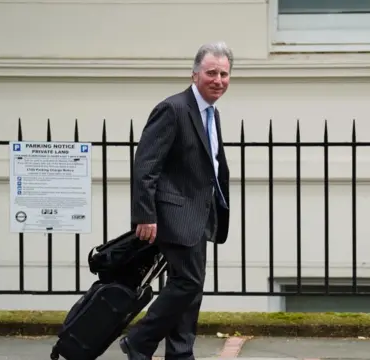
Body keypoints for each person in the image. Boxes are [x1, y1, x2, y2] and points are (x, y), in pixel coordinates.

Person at [119, 41, 233, 360]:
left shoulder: (211, 112)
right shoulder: (174, 108)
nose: (218, 80)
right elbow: (146, 165)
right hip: (173, 213)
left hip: (199, 212)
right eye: (211, 72)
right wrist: (145, 214)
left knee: (189, 288)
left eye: (224, 74)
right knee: (188, 283)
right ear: (195, 74)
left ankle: (180, 353)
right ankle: (139, 340)